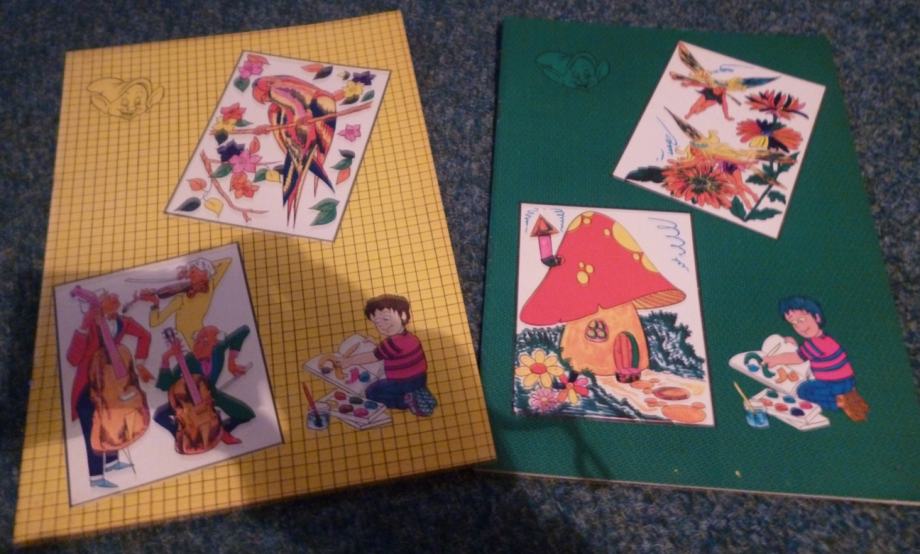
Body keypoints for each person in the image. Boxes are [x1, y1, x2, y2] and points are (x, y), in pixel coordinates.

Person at [66, 290, 153, 488]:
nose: (117, 298)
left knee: (114, 417)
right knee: (93, 428)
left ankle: (112, 462)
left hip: (112, 383)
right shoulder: (90, 324)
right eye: (110, 297)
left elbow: (145, 336)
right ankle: (96, 477)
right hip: (89, 385)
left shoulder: (123, 322)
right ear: (100, 304)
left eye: (116, 295)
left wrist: (140, 363)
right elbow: (72, 359)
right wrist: (84, 326)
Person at [763, 296, 868, 420]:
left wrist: (774, 359)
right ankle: (845, 396)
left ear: (817, 317)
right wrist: (793, 344)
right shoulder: (824, 339)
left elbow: (798, 358)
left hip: (835, 384)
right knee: (809, 383)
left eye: (801, 320)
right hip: (847, 382)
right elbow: (806, 354)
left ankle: (838, 402)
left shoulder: (816, 343)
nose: (800, 327)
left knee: (803, 390)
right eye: (794, 324)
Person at [154, 324, 254, 445]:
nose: (199, 346)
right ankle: (183, 435)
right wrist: (165, 358)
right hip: (188, 403)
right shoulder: (189, 359)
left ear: (215, 344)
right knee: (159, 416)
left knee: (245, 414)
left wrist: (231, 362)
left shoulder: (219, 350)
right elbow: (165, 385)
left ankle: (220, 432)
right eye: (198, 340)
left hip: (210, 397)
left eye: (205, 342)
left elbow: (243, 331)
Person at [338, 295, 437, 416]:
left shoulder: (392, 342)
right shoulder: (410, 337)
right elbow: (391, 352)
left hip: (402, 382)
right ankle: (418, 392)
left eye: (386, 319)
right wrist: (376, 345)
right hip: (420, 379)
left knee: (371, 392)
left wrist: (350, 361)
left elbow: (373, 356)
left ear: (403, 315)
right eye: (377, 323)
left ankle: (405, 401)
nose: (382, 326)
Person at [142, 257, 231, 346]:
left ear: (204, 273)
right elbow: (155, 323)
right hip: (194, 339)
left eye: (194, 270)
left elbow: (226, 261)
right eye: (190, 271)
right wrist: (155, 303)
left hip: (199, 338)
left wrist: (187, 267)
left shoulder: (210, 285)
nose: (190, 274)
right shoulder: (183, 298)